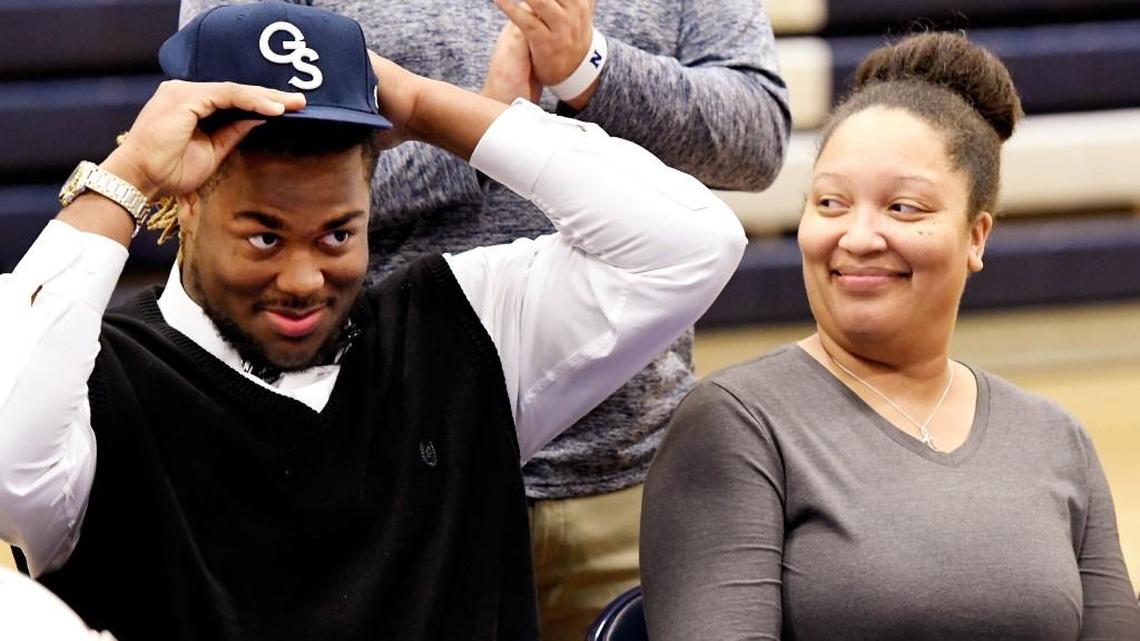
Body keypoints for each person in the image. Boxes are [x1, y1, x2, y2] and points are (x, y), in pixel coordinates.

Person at [0, 3, 746, 640]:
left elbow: (691, 244)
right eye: (263, 236)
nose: (301, 280)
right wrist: (126, 173)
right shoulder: (99, 386)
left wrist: (425, 104)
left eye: (336, 235)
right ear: (186, 204)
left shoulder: (458, 333)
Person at [640, 32, 1140, 640]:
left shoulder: (1056, 440)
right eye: (830, 203)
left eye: (903, 208)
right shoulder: (738, 423)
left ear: (976, 236)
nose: (857, 236)